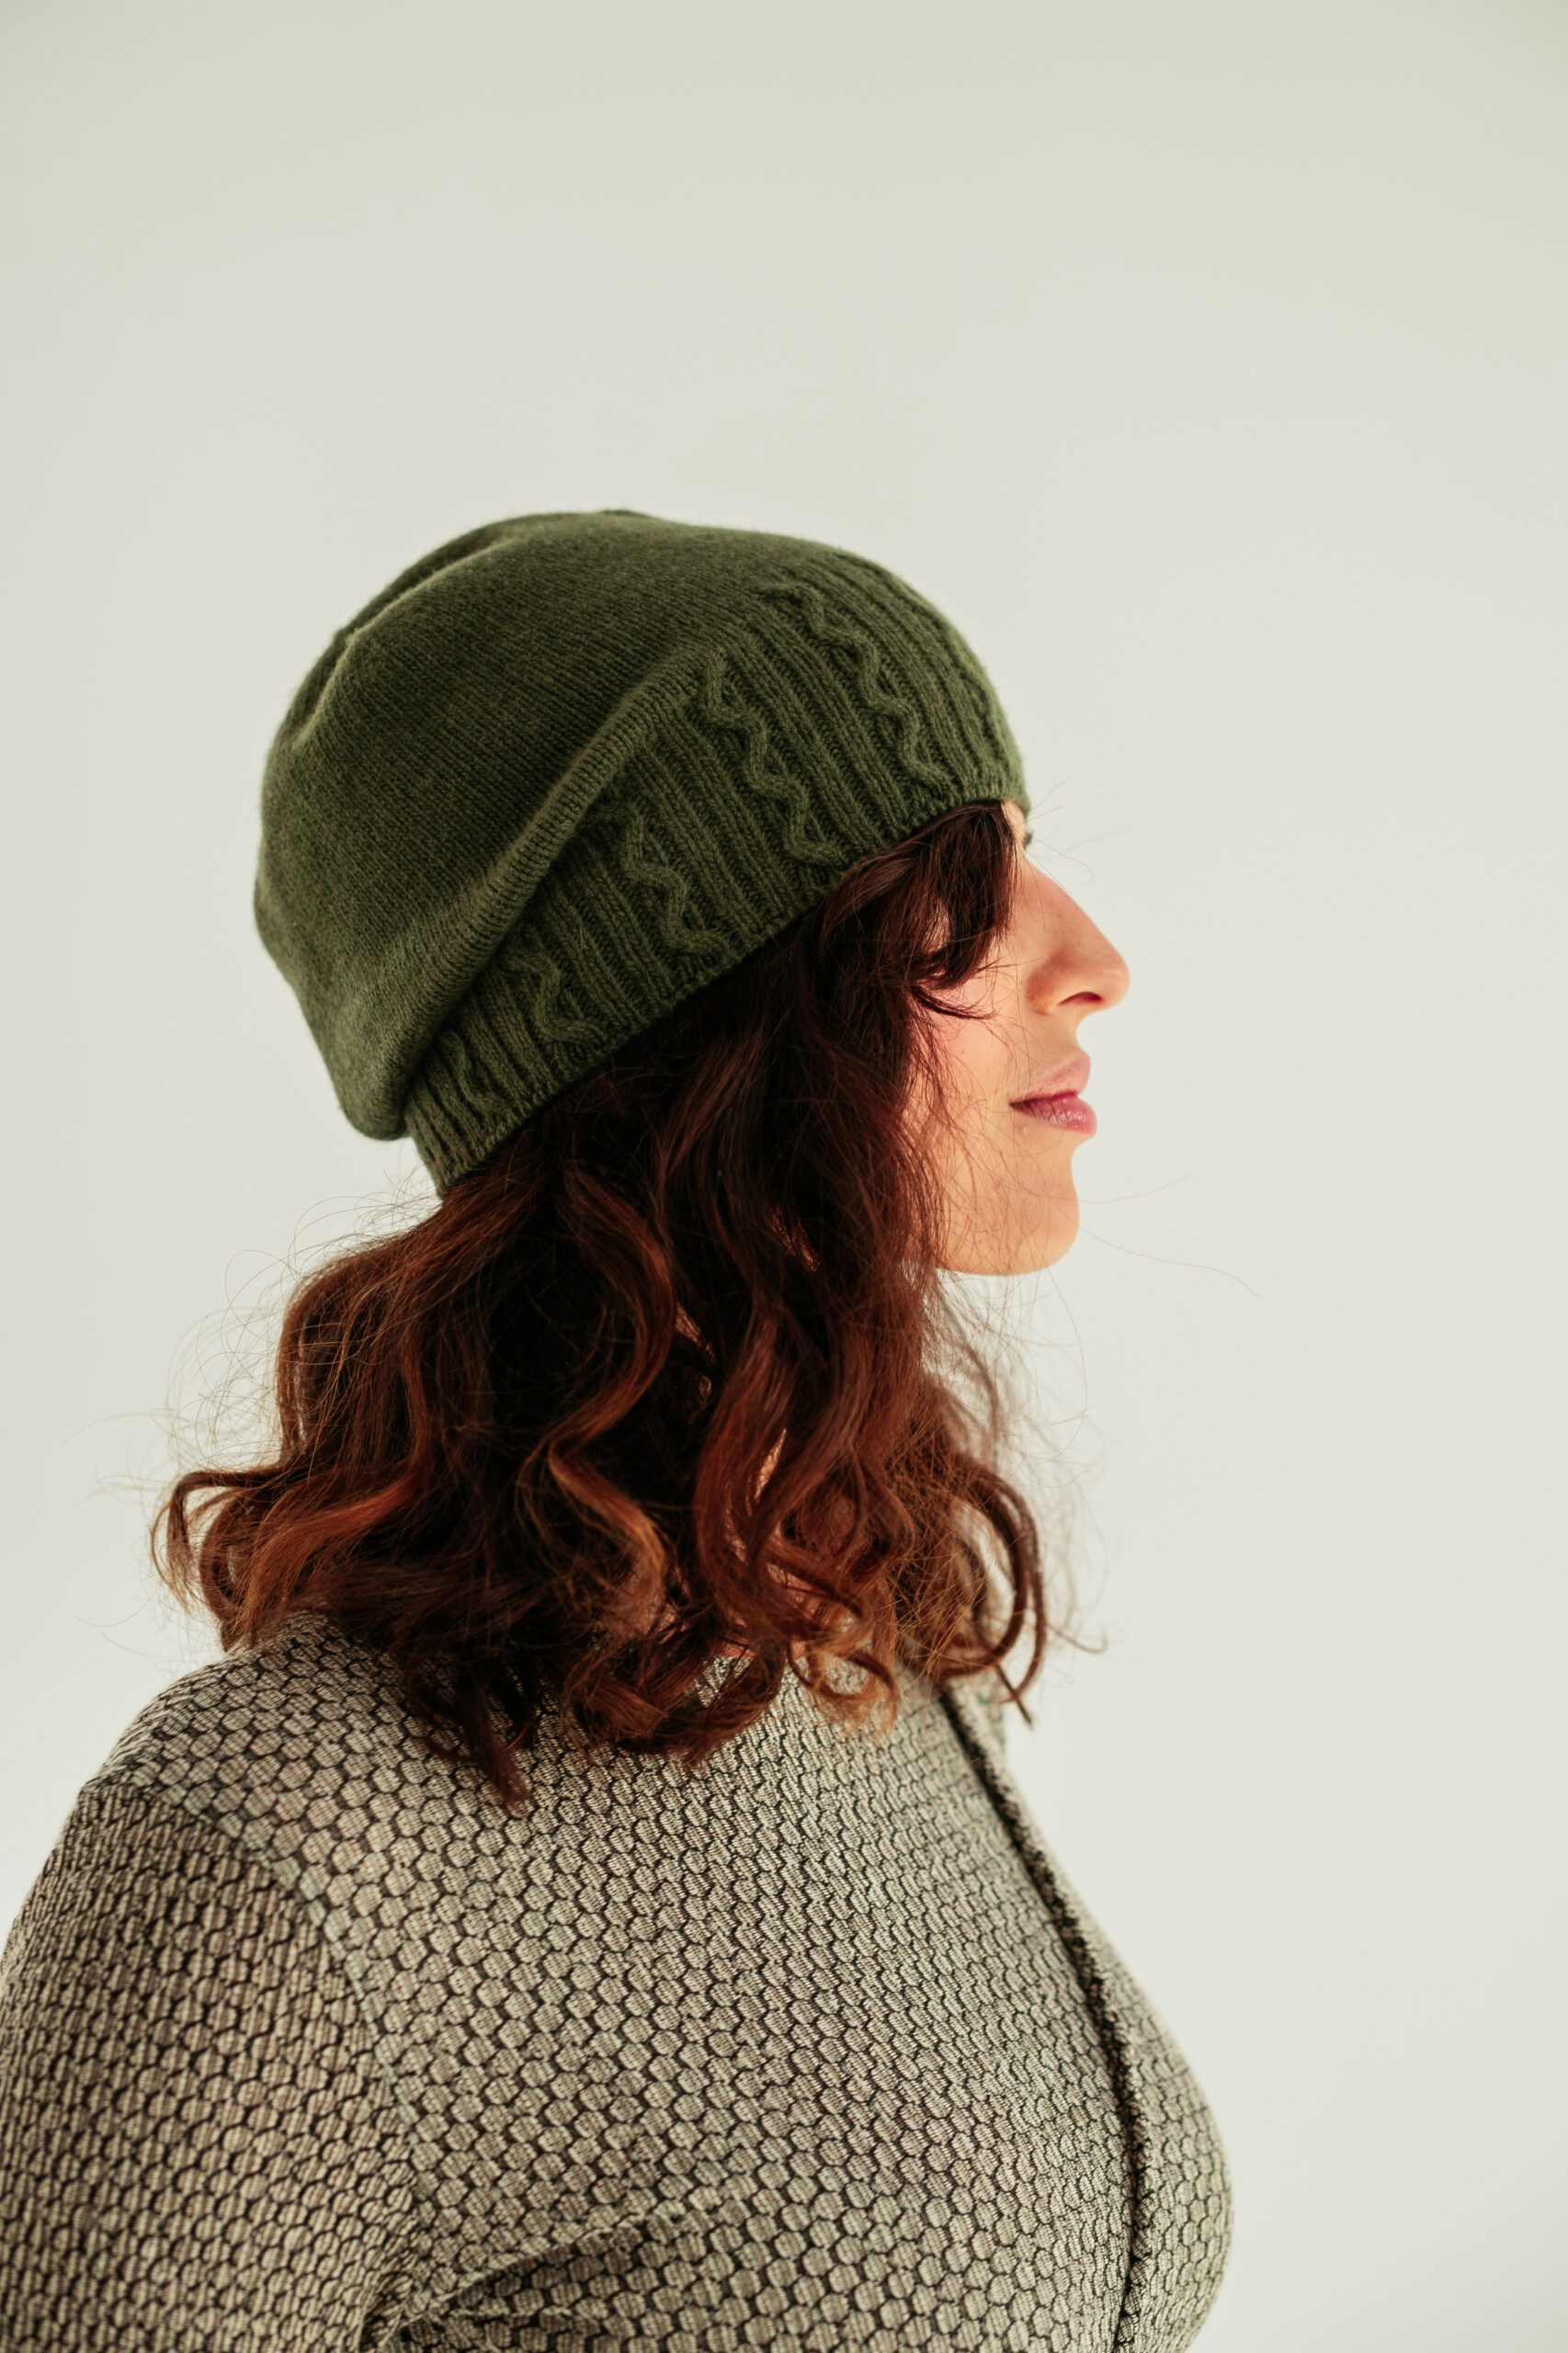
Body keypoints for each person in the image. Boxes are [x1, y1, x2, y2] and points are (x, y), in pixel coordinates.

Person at [0, 512, 1232, 2350]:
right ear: (707, 1016)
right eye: (957, 900)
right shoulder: (281, 1851)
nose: (1095, 959)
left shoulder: (847, 1652)